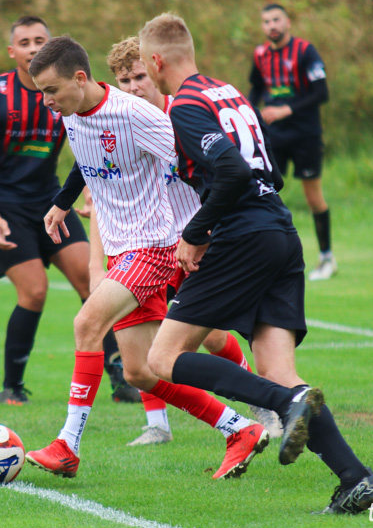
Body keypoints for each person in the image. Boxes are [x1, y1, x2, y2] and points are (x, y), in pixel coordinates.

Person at [139, 13, 373, 514]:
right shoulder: (228, 92)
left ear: (156, 61)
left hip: (244, 236)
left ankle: (281, 406)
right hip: (279, 230)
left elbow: (230, 170)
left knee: (160, 360)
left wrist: (195, 232)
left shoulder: (184, 105)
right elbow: (264, 164)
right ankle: (356, 478)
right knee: (279, 371)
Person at [23, 36, 269, 480]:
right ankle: (240, 429)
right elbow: (87, 161)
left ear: (80, 79)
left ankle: (67, 445)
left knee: (86, 324)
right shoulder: (72, 113)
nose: (47, 102)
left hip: (155, 244)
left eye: (51, 91)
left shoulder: (136, 115)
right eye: (42, 93)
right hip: (121, 248)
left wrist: (212, 226)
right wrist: (63, 201)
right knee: (139, 370)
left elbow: (191, 163)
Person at [105, 36, 283, 445]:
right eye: (123, 80)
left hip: (196, 241)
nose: (133, 87)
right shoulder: (121, 124)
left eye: (138, 76)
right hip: (149, 244)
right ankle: (158, 425)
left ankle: (262, 404)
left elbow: (229, 167)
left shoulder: (180, 115)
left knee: (213, 337)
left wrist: (203, 230)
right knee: (145, 340)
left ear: (154, 70)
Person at [0, 16, 137, 405]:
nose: (32, 47)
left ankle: (121, 378)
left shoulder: (65, 93)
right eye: (24, 41)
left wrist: (88, 193)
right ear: (12, 52)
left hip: (51, 199)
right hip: (6, 205)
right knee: (35, 291)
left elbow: (89, 149)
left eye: (40, 40)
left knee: (93, 283)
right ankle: (12, 386)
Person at [248, 4, 336, 281]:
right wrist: (247, 115)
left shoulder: (305, 52)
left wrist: (287, 109)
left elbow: (321, 93)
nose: (271, 25)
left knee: (313, 197)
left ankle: (326, 258)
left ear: (287, 22)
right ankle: (271, 258)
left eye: (276, 20)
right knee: (265, 192)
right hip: (273, 136)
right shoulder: (261, 54)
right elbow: (256, 89)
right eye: (266, 21)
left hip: (305, 133)